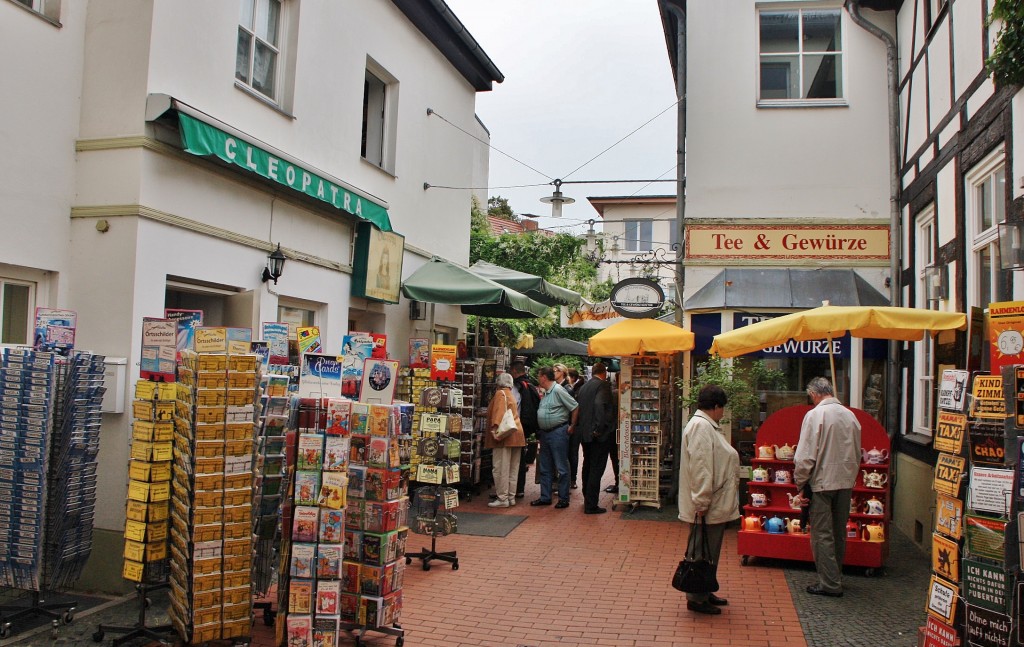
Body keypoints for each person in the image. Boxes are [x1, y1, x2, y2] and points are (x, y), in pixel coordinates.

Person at [794, 377, 862, 598]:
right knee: (838, 531)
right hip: (845, 481)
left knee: (822, 534)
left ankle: (830, 583)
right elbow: (857, 451)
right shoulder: (850, 416)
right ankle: (835, 575)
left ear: (814, 394)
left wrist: (801, 483)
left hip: (822, 482)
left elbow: (805, 456)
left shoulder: (815, 415)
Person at [677, 385, 738, 615]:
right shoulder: (701, 427)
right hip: (707, 504)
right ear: (716, 406)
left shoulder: (705, 425)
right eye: (723, 408)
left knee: (708, 549)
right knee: (701, 549)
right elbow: (701, 468)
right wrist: (701, 501)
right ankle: (696, 596)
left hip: (712, 502)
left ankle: (704, 587)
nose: (723, 412)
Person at [531, 366, 578, 509]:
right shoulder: (546, 392)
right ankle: (545, 497)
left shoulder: (558, 390)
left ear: (544, 377)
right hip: (546, 433)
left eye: (539, 376)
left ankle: (563, 498)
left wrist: (572, 425)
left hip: (557, 432)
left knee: (561, 466)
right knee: (545, 466)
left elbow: (575, 406)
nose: (538, 379)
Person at [574, 362, 614, 514]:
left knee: (588, 465)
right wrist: (599, 428)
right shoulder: (603, 386)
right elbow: (599, 405)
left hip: (585, 433)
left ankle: (587, 496)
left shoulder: (584, 387)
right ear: (604, 373)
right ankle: (591, 504)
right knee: (596, 468)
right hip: (597, 435)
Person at [485, 373, 527, 507]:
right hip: (517, 434)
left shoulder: (500, 393)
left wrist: (494, 430)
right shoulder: (511, 394)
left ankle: (502, 498)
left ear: (498, 383)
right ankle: (510, 496)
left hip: (505, 436)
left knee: (501, 468)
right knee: (513, 468)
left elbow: (499, 412)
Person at [511, 362, 540, 498]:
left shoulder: (516, 386)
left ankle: (514, 488)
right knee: (521, 456)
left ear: (514, 371)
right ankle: (519, 488)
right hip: (526, 426)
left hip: (515, 426)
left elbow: (514, 406)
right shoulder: (530, 385)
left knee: (514, 458)